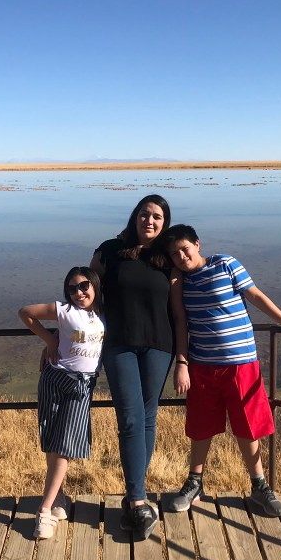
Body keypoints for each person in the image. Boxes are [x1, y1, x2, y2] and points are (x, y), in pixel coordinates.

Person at [163, 223, 281, 517]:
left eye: (185, 248)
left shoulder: (226, 264)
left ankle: (259, 486)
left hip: (241, 363)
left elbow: (257, 297)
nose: (182, 256)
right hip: (202, 365)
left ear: (197, 243)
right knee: (201, 426)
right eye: (174, 254)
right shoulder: (180, 281)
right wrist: (181, 363)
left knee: (248, 426)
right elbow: (181, 322)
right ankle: (195, 483)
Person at [91, 194, 175, 540]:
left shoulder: (167, 257)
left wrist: (184, 356)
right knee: (129, 417)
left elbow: (181, 304)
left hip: (159, 345)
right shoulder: (110, 250)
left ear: (164, 223)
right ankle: (138, 498)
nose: (150, 221)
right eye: (145, 214)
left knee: (148, 414)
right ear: (135, 217)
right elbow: (87, 292)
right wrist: (64, 337)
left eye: (157, 217)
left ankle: (135, 495)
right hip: (119, 344)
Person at [19, 267, 105, 539]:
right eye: (72, 288)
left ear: (94, 286)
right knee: (53, 441)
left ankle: (43, 512)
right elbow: (25, 313)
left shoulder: (103, 314)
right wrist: (50, 340)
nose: (79, 292)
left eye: (84, 286)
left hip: (82, 385)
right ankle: (57, 498)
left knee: (65, 446)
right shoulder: (64, 311)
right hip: (55, 379)